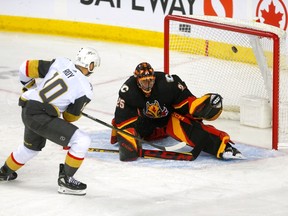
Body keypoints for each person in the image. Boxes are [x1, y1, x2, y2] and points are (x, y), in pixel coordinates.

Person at [0, 47, 101, 196]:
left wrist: (30, 87)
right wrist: (72, 108)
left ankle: (5, 171)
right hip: (41, 115)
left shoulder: (61, 62)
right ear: (91, 65)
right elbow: (69, 117)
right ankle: (66, 180)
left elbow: (25, 67)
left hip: (28, 107)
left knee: (31, 148)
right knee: (82, 140)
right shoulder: (86, 89)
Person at [110, 62, 244, 161]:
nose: (148, 85)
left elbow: (187, 102)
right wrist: (127, 139)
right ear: (137, 81)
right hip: (144, 127)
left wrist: (199, 107)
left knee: (189, 127)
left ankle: (222, 147)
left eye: (150, 81)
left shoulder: (167, 84)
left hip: (166, 121)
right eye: (144, 82)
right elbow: (123, 120)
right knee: (128, 151)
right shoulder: (129, 91)